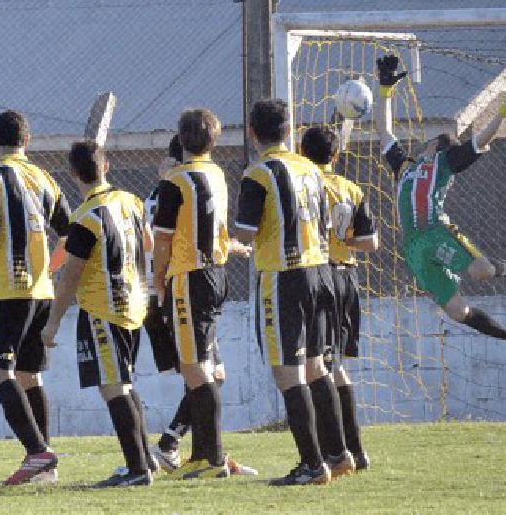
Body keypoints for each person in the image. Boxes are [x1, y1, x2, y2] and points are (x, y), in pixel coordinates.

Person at [374, 55, 506, 360]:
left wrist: (504, 111)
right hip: (414, 249)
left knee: (481, 272)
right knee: (458, 311)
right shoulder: (404, 167)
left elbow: (480, 139)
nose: (421, 145)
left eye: (427, 142)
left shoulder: (442, 163)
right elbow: (383, 130)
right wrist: (385, 88)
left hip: (435, 233)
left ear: (434, 147)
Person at [235, 99, 356, 487]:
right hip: (321, 271)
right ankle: (339, 455)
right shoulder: (311, 169)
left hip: (283, 277)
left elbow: (246, 234)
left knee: (287, 372)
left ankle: (311, 463)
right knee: (318, 367)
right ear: (289, 131)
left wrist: (223, 231)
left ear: (253, 132)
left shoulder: (258, 174)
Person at [0, 110, 70, 485]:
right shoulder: (44, 179)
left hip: (5, 290)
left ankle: (38, 452)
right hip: (42, 291)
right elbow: (71, 236)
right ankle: (45, 466)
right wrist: (50, 269)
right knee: (29, 375)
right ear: (28, 139)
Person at [41, 141, 153, 487]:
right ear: (106, 167)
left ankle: (137, 470)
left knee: (112, 386)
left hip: (103, 309)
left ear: (74, 174)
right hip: (135, 303)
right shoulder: (131, 202)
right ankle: (145, 460)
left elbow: (70, 277)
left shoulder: (85, 219)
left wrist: (52, 325)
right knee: (125, 383)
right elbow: (147, 242)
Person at [144, 135, 255, 477]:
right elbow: (160, 243)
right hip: (168, 290)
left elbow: (197, 236)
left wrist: (230, 247)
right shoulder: (171, 191)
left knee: (210, 374)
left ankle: (183, 449)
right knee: (199, 372)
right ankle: (206, 456)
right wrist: (158, 286)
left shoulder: (183, 189)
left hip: (185, 284)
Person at [151, 109, 234, 480]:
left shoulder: (174, 182)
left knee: (194, 368)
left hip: (188, 277)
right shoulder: (217, 175)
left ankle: (212, 456)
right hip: (217, 273)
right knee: (205, 368)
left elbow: (163, 240)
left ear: (181, 139)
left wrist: (158, 282)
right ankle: (202, 454)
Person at [300, 126, 378, 471]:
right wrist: (344, 244)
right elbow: (371, 243)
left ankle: (338, 451)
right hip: (348, 278)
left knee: (319, 366)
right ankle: (356, 451)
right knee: (337, 367)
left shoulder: (305, 186)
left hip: (320, 276)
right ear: (335, 156)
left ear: (302, 154)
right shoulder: (351, 189)